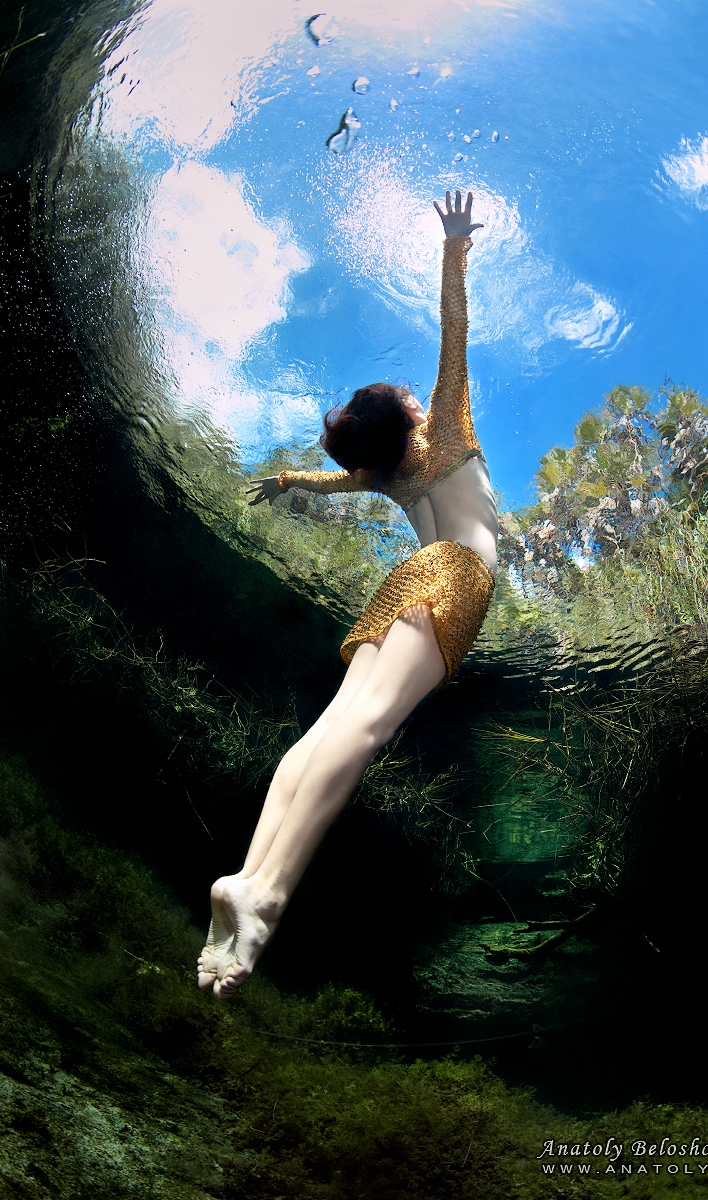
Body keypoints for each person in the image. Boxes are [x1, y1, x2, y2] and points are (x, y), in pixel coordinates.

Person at [197, 190, 498, 1000]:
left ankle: (247, 876)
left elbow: (338, 480)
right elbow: (454, 338)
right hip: (457, 575)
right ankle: (266, 897)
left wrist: (290, 476)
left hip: (403, 581)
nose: (417, 391)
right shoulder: (447, 433)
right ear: (412, 414)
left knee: (331, 725)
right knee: (363, 733)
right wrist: (454, 249)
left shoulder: (390, 475)